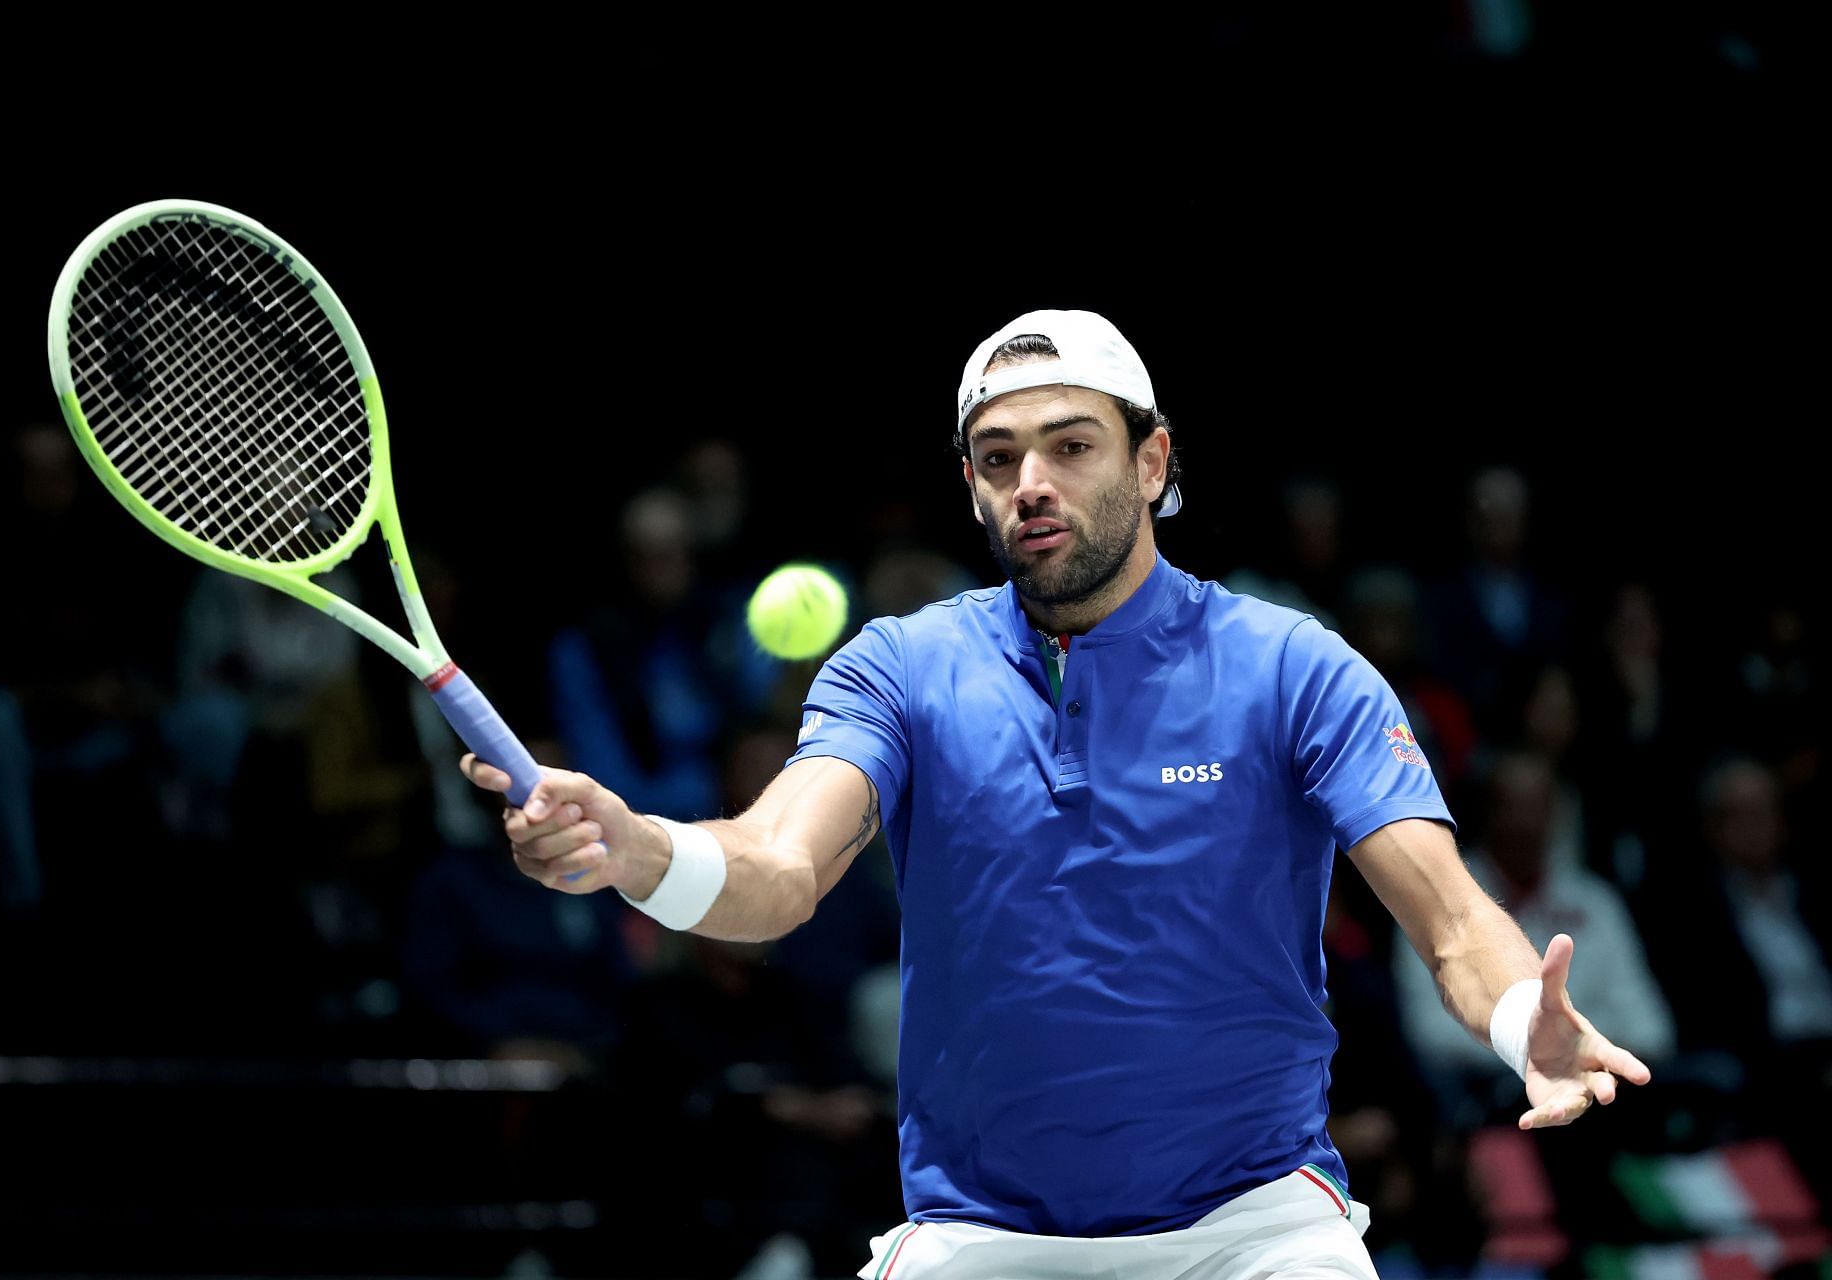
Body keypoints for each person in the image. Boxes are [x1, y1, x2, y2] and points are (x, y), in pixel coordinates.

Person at [460, 310, 1652, 1279]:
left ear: (1153, 459)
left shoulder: (1294, 665)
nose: (1032, 481)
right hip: (981, 1229)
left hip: (1253, 1228)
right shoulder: (900, 665)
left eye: (1073, 444)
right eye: (998, 456)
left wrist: (1514, 1022)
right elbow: (776, 874)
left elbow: (1447, 915)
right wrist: (637, 846)